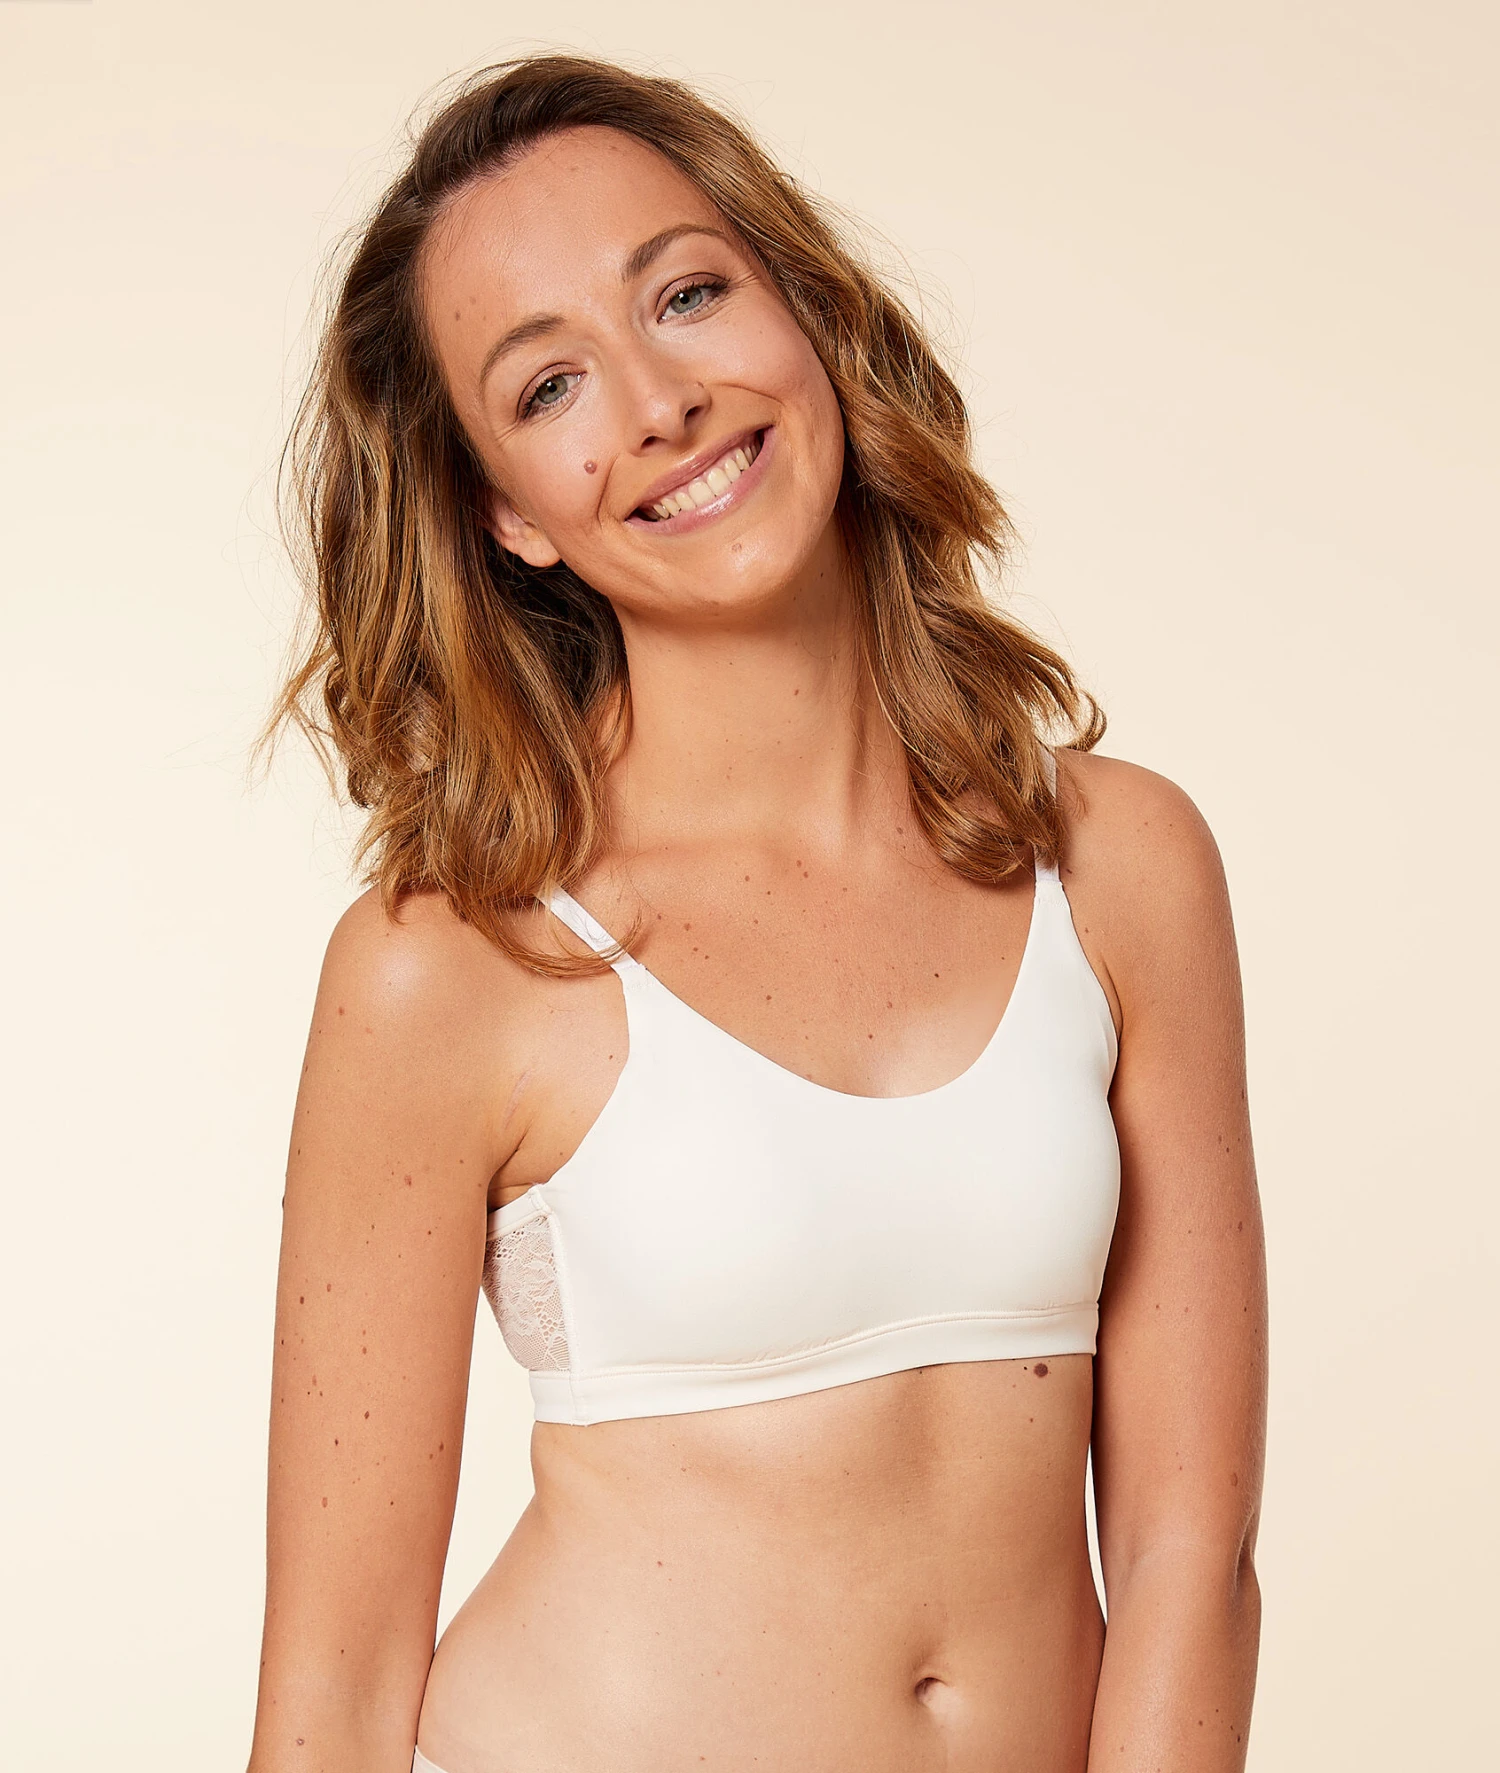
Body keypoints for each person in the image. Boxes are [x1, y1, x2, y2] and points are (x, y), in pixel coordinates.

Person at [247, 53, 1267, 1773]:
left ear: (807, 311)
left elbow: (1191, 1554)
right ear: (507, 514)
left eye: (689, 295)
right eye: (550, 384)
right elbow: (336, 1690)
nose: (660, 403)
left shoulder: (1120, 868)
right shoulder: (456, 966)